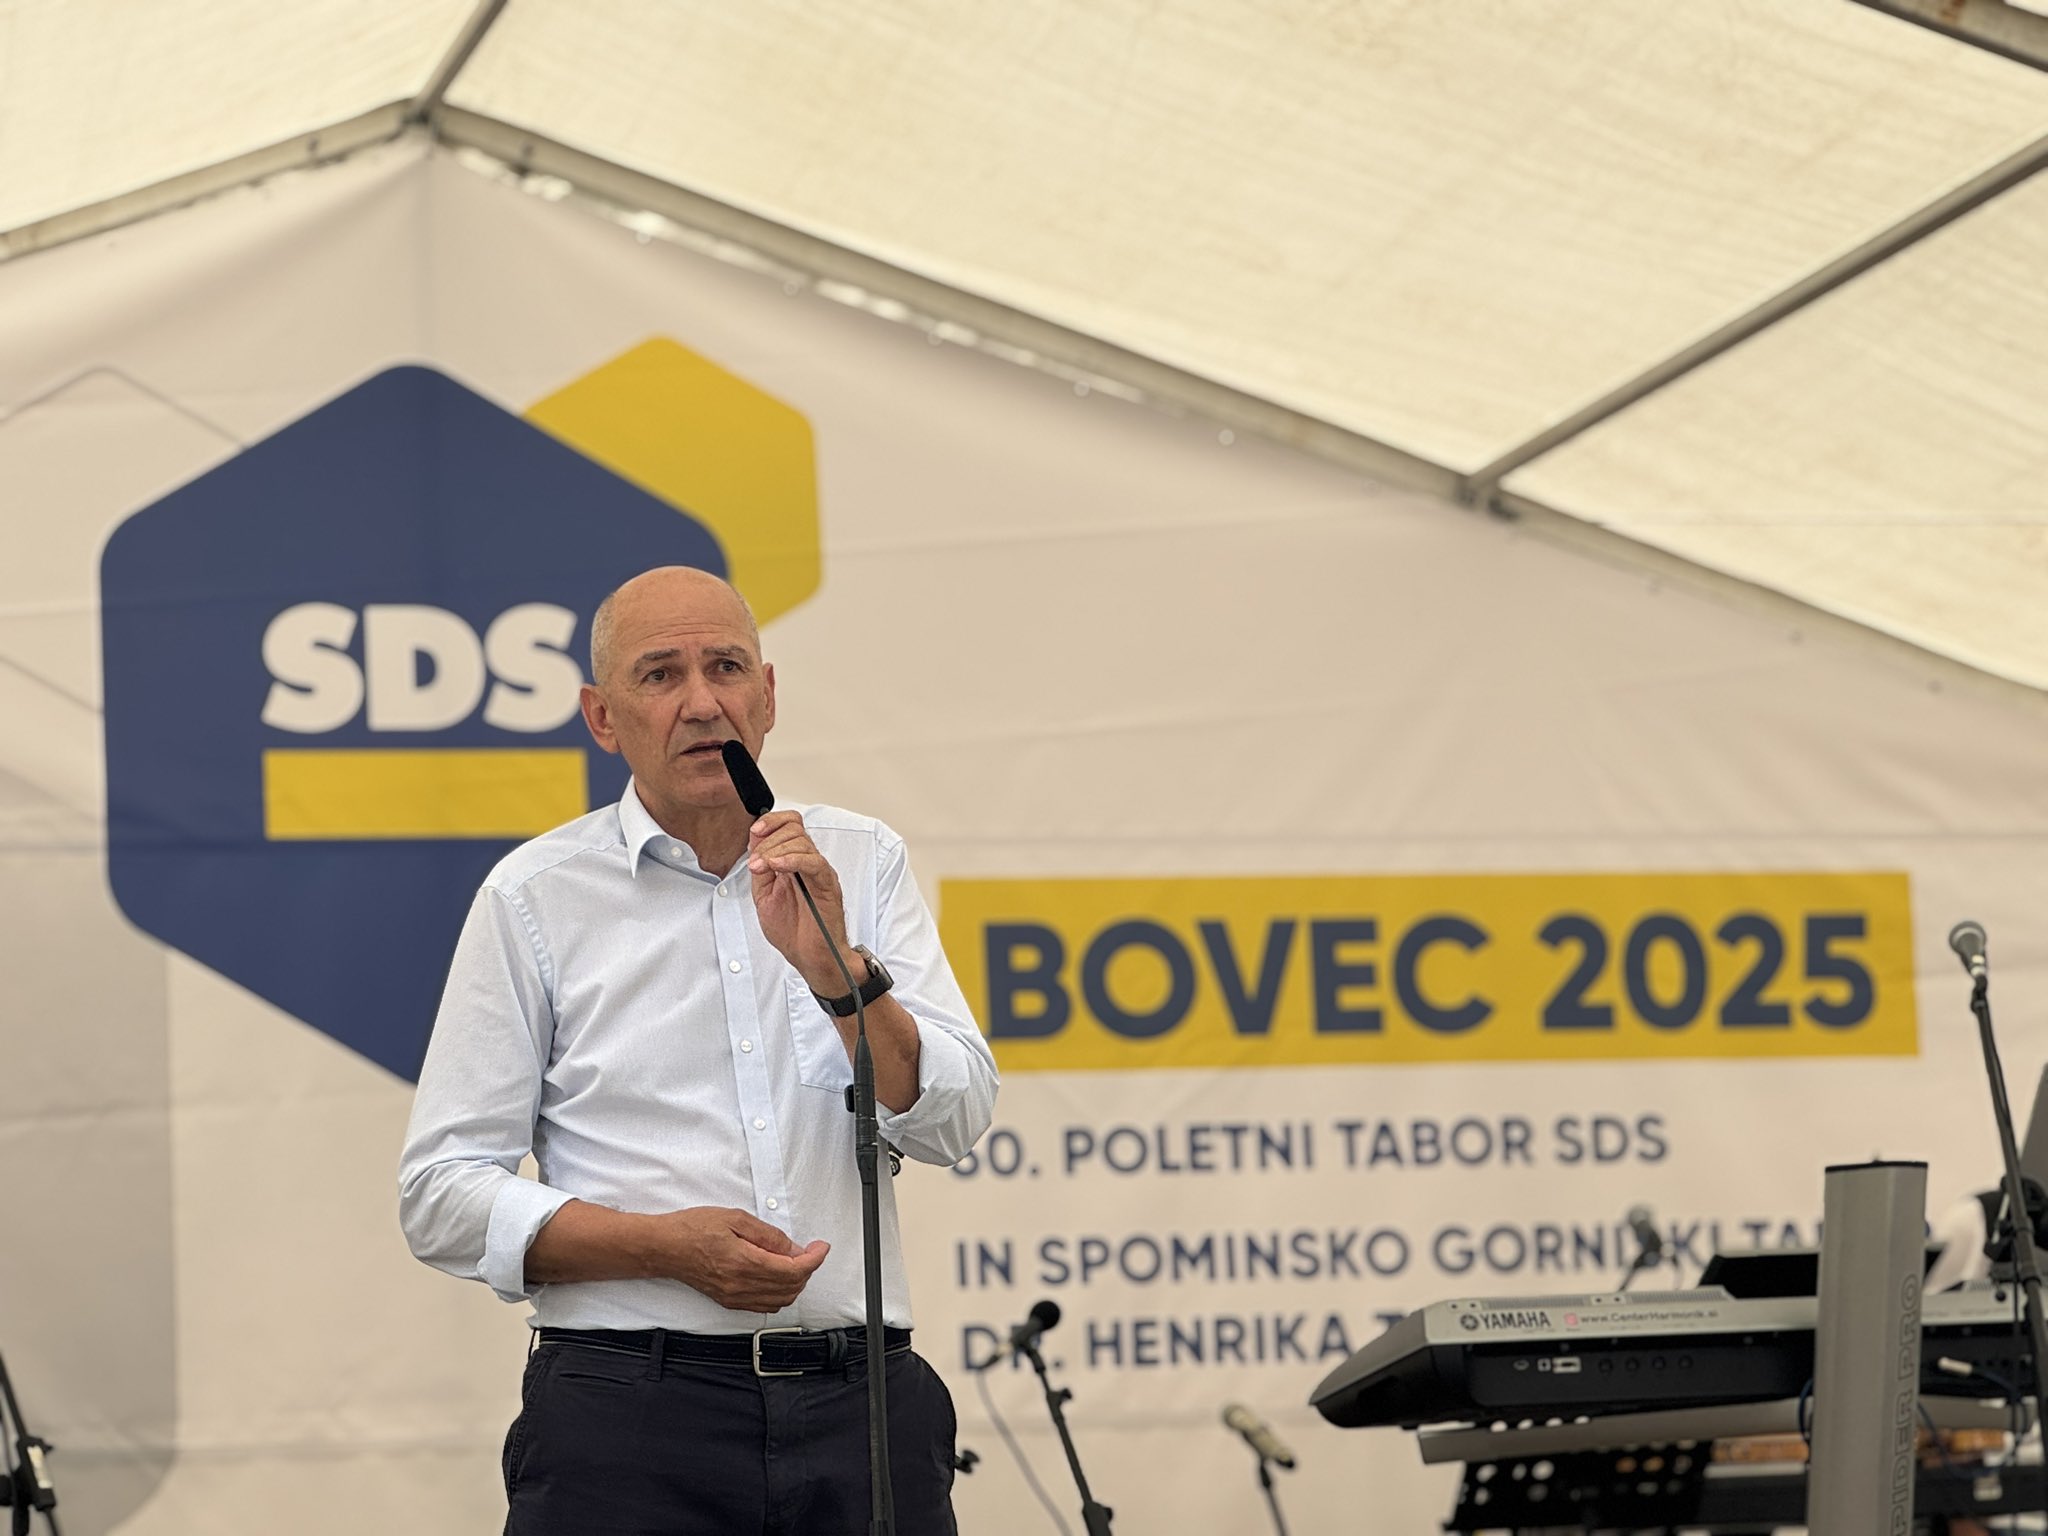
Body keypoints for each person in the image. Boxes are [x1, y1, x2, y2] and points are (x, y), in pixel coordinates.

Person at [399, 565, 999, 1535]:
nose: (702, 702)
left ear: (768, 695)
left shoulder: (860, 860)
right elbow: (440, 1196)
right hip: (629, 1415)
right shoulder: (534, 896)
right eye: (660, 674)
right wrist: (661, 1248)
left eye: (725, 667)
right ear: (602, 718)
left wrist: (839, 975)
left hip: (863, 1410)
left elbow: (953, 1122)